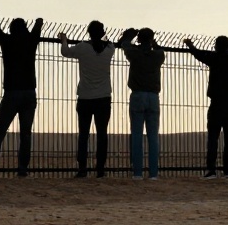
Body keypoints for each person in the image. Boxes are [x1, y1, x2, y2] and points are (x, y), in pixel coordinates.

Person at [0, 15, 43, 178]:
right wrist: (38, 22)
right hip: (29, 92)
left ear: (11, 30)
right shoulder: (31, 41)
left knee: (0, 131)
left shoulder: (7, 42)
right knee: (26, 133)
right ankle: (22, 168)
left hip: (11, 92)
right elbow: (37, 30)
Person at [59, 21, 115, 177]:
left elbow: (65, 51)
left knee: (84, 134)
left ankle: (82, 168)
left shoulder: (83, 48)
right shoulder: (109, 49)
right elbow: (108, 42)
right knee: (102, 133)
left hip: (85, 97)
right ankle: (100, 169)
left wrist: (64, 39)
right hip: (103, 97)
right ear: (103, 32)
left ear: (89, 32)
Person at [185, 35, 228, 178]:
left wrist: (190, 45)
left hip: (217, 103)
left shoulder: (214, 57)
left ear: (216, 46)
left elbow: (198, 54)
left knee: (213, 137)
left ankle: (211, 169)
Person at [119, 27, 165, 180]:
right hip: (153, 96)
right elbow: (159, 49)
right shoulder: (158, 55)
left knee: (137, 135)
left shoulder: (134, 53)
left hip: (138, 95)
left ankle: (137, 173)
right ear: (152, 39)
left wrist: (130, 36)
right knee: (153, 137)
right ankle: (154, 173)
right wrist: (153, 43)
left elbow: (124, 44)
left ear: (139, 39)